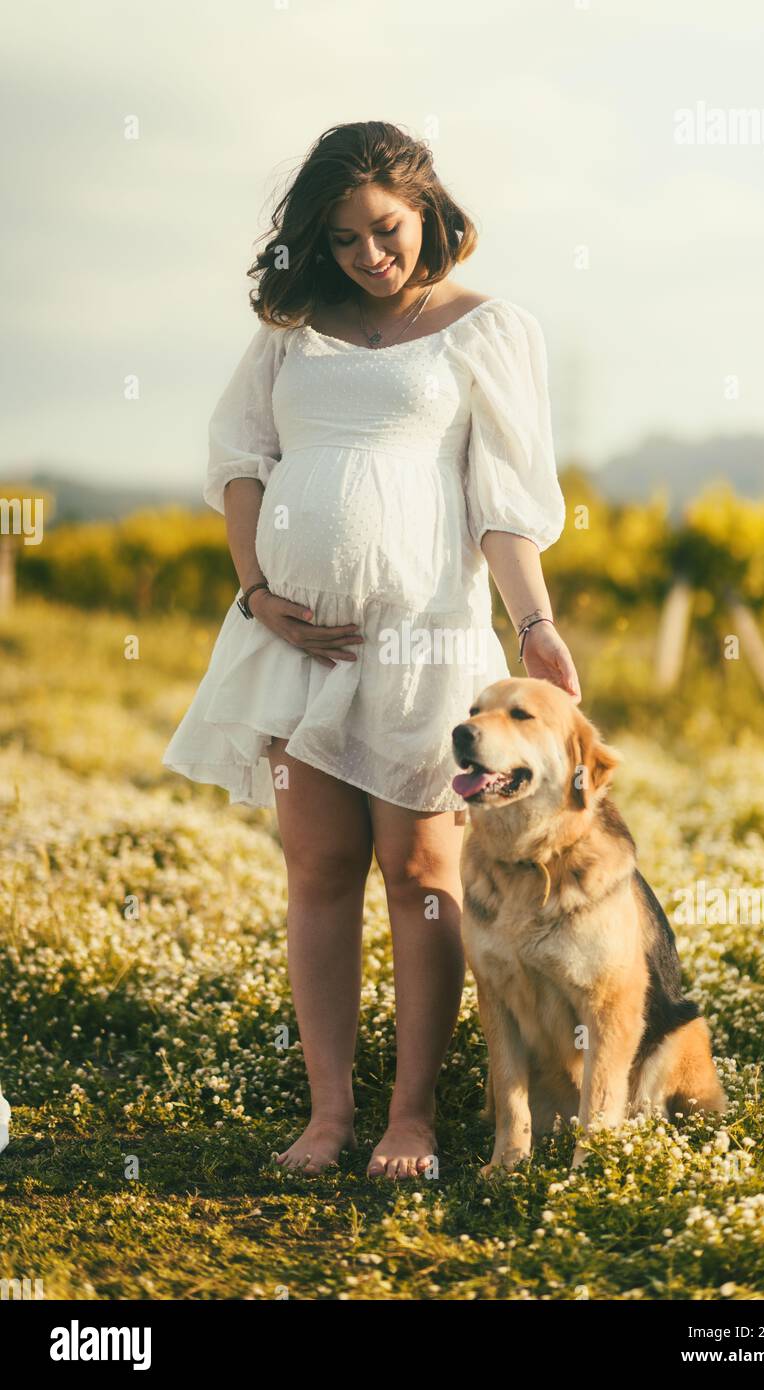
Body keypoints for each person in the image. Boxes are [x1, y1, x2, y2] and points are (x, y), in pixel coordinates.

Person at [163, 120, 581, 1179]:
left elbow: (502, 507)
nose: (368, 256)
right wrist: (258, 592)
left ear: (427, 208)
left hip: (426, 643)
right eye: (342, 238)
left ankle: (411, 1120)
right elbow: (240, 463)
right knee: (319, 868)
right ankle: (327, 1114)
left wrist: (532, 624)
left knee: (422, 872)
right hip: (294, 644)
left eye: (384, 230)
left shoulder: (484, 329)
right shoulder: (293, 333)